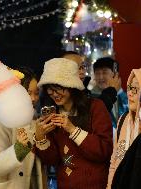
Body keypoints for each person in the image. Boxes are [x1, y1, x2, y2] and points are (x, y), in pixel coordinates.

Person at [34, 58, 113, 189]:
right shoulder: (52, 114)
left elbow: (104, 150)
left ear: (71, 86)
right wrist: (41, 138)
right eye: (49, 89)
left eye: (58, 88)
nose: (54, 94)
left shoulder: (95, 107)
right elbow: (52, 160)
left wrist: (72, 129)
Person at [0, 60, 46, 189]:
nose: (34, 98)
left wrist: (42, 138)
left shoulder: (34, 121)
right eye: (29, 92)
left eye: (36, 93)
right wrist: (19, 149)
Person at [91, 57, 129, 132]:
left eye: (105, 72)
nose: (101, 77)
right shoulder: (91, 98)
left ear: (115, 75)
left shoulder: (127, 98)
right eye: (97, 73)